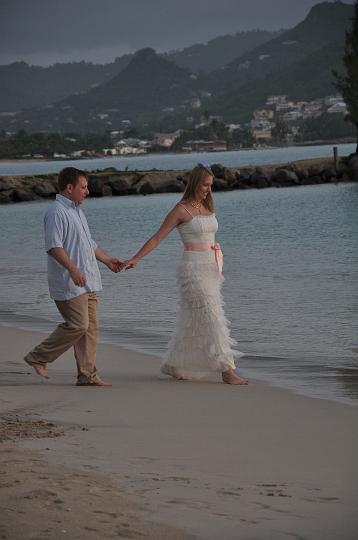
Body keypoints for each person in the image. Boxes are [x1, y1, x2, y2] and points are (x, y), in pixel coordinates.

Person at [124, 163, 248, 385]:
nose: (208, 189)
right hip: (193, 270)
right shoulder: (181, 209)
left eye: (211, 185)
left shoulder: (207, 206)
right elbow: (157, 238)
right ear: (195, 183)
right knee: (213, 316)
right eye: (205, 185)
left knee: (192, 319)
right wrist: (136, 258)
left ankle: (176, 365)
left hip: (212, 269)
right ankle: (227, 369)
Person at [24, 167, 123, 386]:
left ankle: (87, 375)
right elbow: (53, 246)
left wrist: (106, 260)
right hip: (69, 282)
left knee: (90, 329)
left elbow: (89, 244)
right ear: (70, 188)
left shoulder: (77, 211)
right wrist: (73, 269)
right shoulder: (56, 211)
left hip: (88, 280)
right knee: (78, 325)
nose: (87, 191)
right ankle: (38, 356)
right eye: (83, 187)